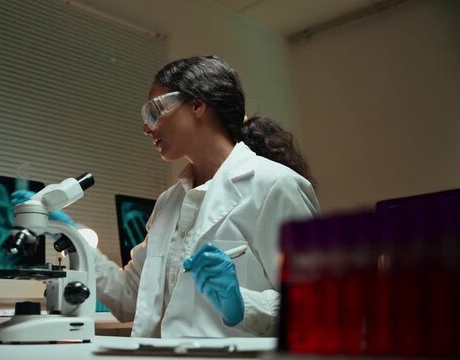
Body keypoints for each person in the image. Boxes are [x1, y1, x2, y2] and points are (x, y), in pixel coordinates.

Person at [93, 55, 319, 338]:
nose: (147, 127)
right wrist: (73, 239)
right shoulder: (168, 202)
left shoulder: (275, 185)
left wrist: (241, 303)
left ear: (198, 105)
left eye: (154, 112)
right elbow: (129, 298)